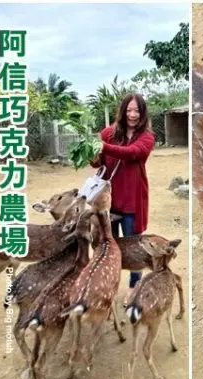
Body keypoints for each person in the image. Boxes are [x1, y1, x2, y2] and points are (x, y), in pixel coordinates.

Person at [90, 93, 155, 288]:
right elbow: (98, 163)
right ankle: (110, 284)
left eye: (137, 110)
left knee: (133, 247)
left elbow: (133, 153)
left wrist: (104, 147)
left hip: (132, 201)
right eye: (129, 110)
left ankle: (134, 286)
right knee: (109, 245)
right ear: (122, 111)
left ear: (143, 113)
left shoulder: (147, 137)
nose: (132, 115)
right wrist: (91, 154)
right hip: (108, 201)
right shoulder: (107, 133)